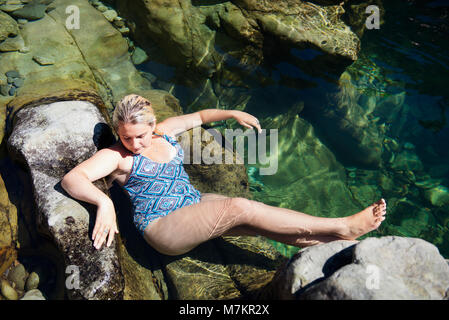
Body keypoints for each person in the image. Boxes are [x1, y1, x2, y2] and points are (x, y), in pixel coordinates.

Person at [61, 94, 387, 255]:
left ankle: (338, 245)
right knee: (239, 207)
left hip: (194, 204)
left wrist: (232, 112)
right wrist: (105, 203)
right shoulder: (116, 156)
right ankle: (342, 225)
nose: (134, 143)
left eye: (140, 135)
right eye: (126, 136)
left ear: (152, 124)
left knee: (258, 224)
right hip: (162, 228)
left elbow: (200, 115)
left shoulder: (164, 132)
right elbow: (72, 179)